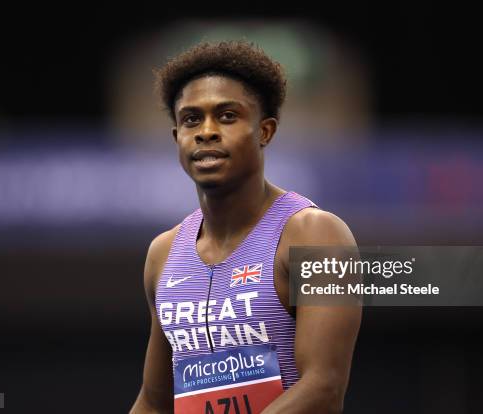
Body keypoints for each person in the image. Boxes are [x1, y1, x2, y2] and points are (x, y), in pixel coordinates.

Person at [129, 40, 361, 414]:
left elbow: (323, 387)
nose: (206, 131)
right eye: (191, 119)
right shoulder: (163, 254)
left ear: (265, 131)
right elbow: (155, 402)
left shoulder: (314, 235)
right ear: (177, 138)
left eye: (227, 116)